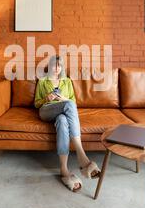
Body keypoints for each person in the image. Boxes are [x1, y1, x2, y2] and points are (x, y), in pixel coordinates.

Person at [34, 55, 101, 192]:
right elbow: (36, 103)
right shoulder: (42, 81)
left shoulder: (67, 81)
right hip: (46, 110)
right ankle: (82, 157)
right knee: (69, 105)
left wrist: (63, 98)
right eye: (54, 65)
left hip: (63, 113)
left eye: (59, 66)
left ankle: (64, 169)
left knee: (63, 121)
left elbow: (73, 102)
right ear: (50, 66)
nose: (57, 68)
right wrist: (47, 98)